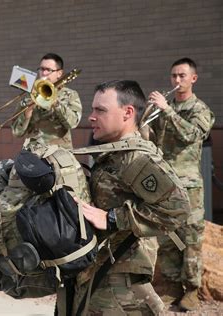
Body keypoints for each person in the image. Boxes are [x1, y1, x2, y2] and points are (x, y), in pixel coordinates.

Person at [71, 80, 190, 315]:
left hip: (122, 289)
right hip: (103, 276)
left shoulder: (136, 159)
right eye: (92, 109)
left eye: (100, 110)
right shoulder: (114, 153)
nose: (91, 117)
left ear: (127, 113)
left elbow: (178, 208)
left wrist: (114, 218)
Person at [147, 58, 215, 310]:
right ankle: (172, 286)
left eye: (182, 76)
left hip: (189, 186)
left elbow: (192, 135)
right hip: (166, 182)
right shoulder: (165, 108)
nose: (177, 80)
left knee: (191, 237)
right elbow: (151, 137)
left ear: (193, 79)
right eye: (174, 76)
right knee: (168, 236)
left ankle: (192, 290)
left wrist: (166, 110)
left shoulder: (200, 109)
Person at [11, 53, 82, 150]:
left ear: (59, 73)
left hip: (59, 155)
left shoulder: (70, 94)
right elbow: (16, 133)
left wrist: (55, 103)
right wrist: (26, 115)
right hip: (33, 154)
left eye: (48, 70)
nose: (44, 73)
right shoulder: (30, 94)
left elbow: (73, 123)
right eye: (41, 69)